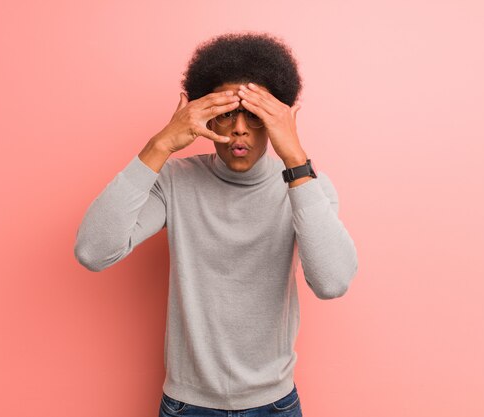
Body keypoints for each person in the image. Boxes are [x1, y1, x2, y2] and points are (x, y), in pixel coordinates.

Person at [74, 31, 359, 417]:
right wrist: (160, 144)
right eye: (226, 112)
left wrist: (294, 156)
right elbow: (93, 250)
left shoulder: (307, 187)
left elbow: (332, 282)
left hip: (274, 404)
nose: (239, 128)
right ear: (204, 113)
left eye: (256, 115)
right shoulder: (176, 181)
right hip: (187, 405)